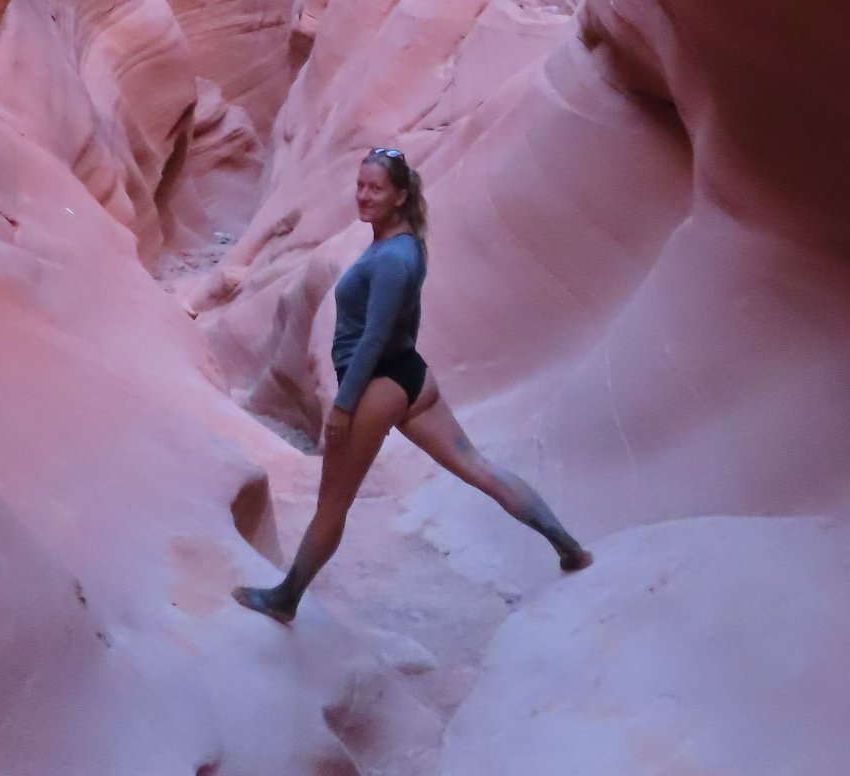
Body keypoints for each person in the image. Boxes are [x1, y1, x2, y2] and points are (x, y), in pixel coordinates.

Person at [234, 146, 591, 623]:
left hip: (377, 386)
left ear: (400, 195)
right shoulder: (405, 244)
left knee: (332, 505)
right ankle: (567, 547)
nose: (364, 195)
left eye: (376, 188)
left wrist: (343, 406)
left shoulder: (391, 259)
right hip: (411, 377)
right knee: (477, 466)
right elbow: (403, 324)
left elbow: (374, 338)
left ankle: (285, 599)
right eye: (360, 186)